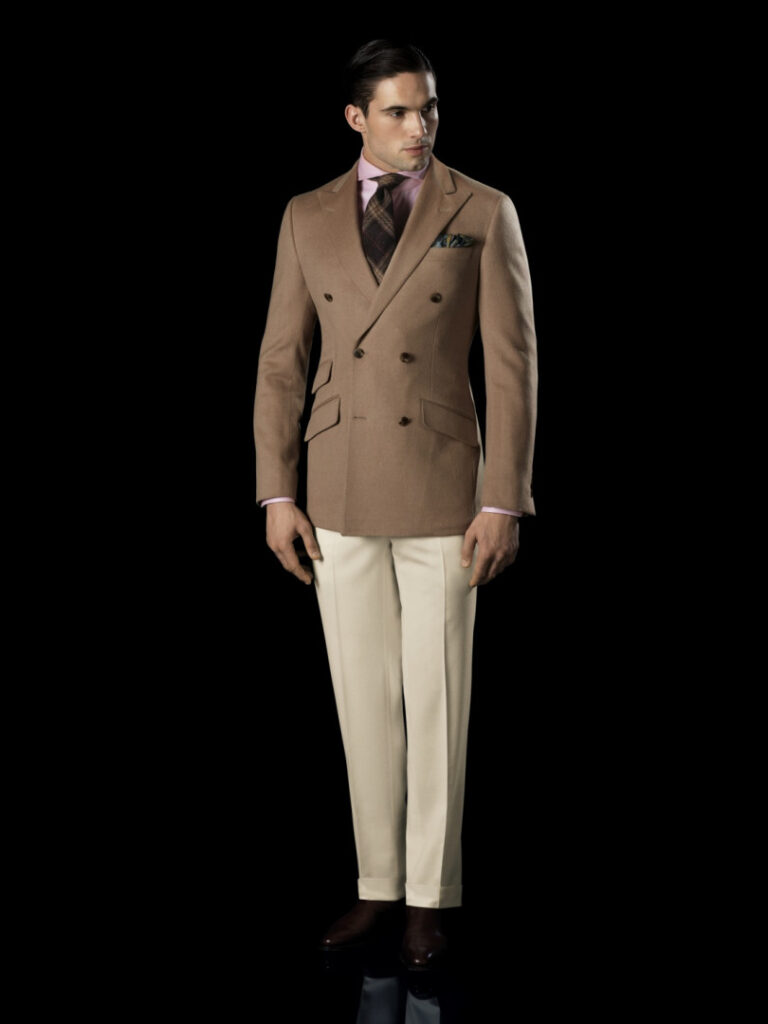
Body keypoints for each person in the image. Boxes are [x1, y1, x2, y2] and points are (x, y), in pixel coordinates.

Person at [252, 38, 538, 969]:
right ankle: (378, 885)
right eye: (400, 111)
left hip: (445, 486)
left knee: (438, 699)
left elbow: (513, 365)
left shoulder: (481, 210)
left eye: (430, 108)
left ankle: (430, 899)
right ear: (356, 118)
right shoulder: (305, 214)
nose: (421, 127)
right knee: (363, 701)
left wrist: (504, 499)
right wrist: (276, 490)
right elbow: (282, 362)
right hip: (335, 482)